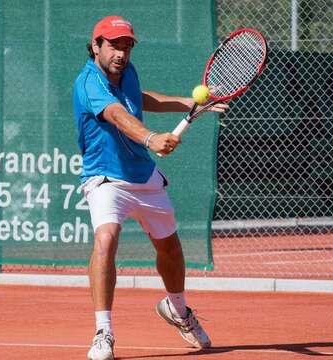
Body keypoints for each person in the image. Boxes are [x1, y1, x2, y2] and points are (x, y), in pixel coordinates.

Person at [72, 15, 228, 360]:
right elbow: (116, 114)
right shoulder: (88, 83)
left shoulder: (127, 72)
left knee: (170, 250)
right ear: (96, 45)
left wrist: (186, 103)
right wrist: (151, 137)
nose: (121, 53)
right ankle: (103, 332)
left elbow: (138, 99)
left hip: (143, 175)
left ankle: (178, 310)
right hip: (106, 177)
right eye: (114, 45)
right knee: (105, 240)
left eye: (126, 46)